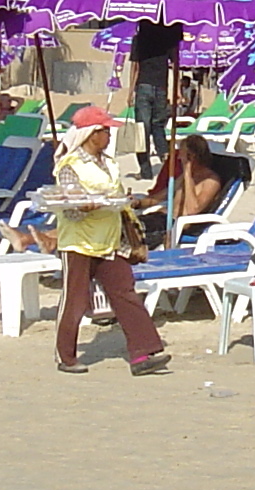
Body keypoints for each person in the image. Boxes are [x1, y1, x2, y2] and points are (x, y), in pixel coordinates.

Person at [50, 103, 169, 376]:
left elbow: (115, 198)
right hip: (79, 242)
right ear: (93, 134)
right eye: (106, 131)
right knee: (75, 300)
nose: (109, 137)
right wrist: (87, 206)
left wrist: (128, 203)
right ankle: (66, 356)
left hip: (110, 240)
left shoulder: (110, 165)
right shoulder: (71, 166)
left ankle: (142, 353)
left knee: (125, 293)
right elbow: (69, 206)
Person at [141, 133, 228, 243]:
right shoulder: (185, 177)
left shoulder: (210, 181)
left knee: (132, 233)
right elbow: (161, 197)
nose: (178, 157)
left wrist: (187, 172)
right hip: (161, 218)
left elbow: (192, 210)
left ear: (191, 156)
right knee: (126, 225)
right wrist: (138, 203)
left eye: (181, 154)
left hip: (175, 226)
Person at [129, 20, 180, 170]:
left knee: (142, 128)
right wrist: (176, 91)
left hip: (143, 85)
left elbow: (135, 67)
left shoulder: (139, 39)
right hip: (161, 87)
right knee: (158, 126)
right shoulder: (168, 37)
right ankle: (165, 161)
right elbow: (174, 65)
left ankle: (145, 170)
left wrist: (130, 91)